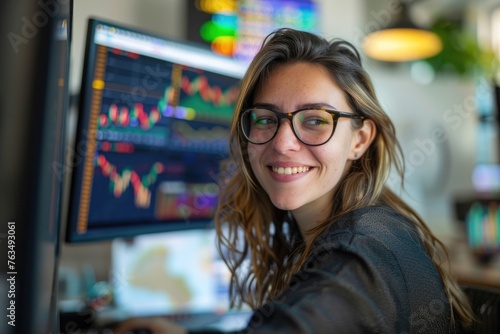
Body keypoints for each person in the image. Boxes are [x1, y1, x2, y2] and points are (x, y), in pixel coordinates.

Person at [114, 28, 474, 333]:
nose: (283, 143)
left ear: (360, 139)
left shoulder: (363, 248)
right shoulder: (374, 223)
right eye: (266, 119)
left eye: (315, 120)